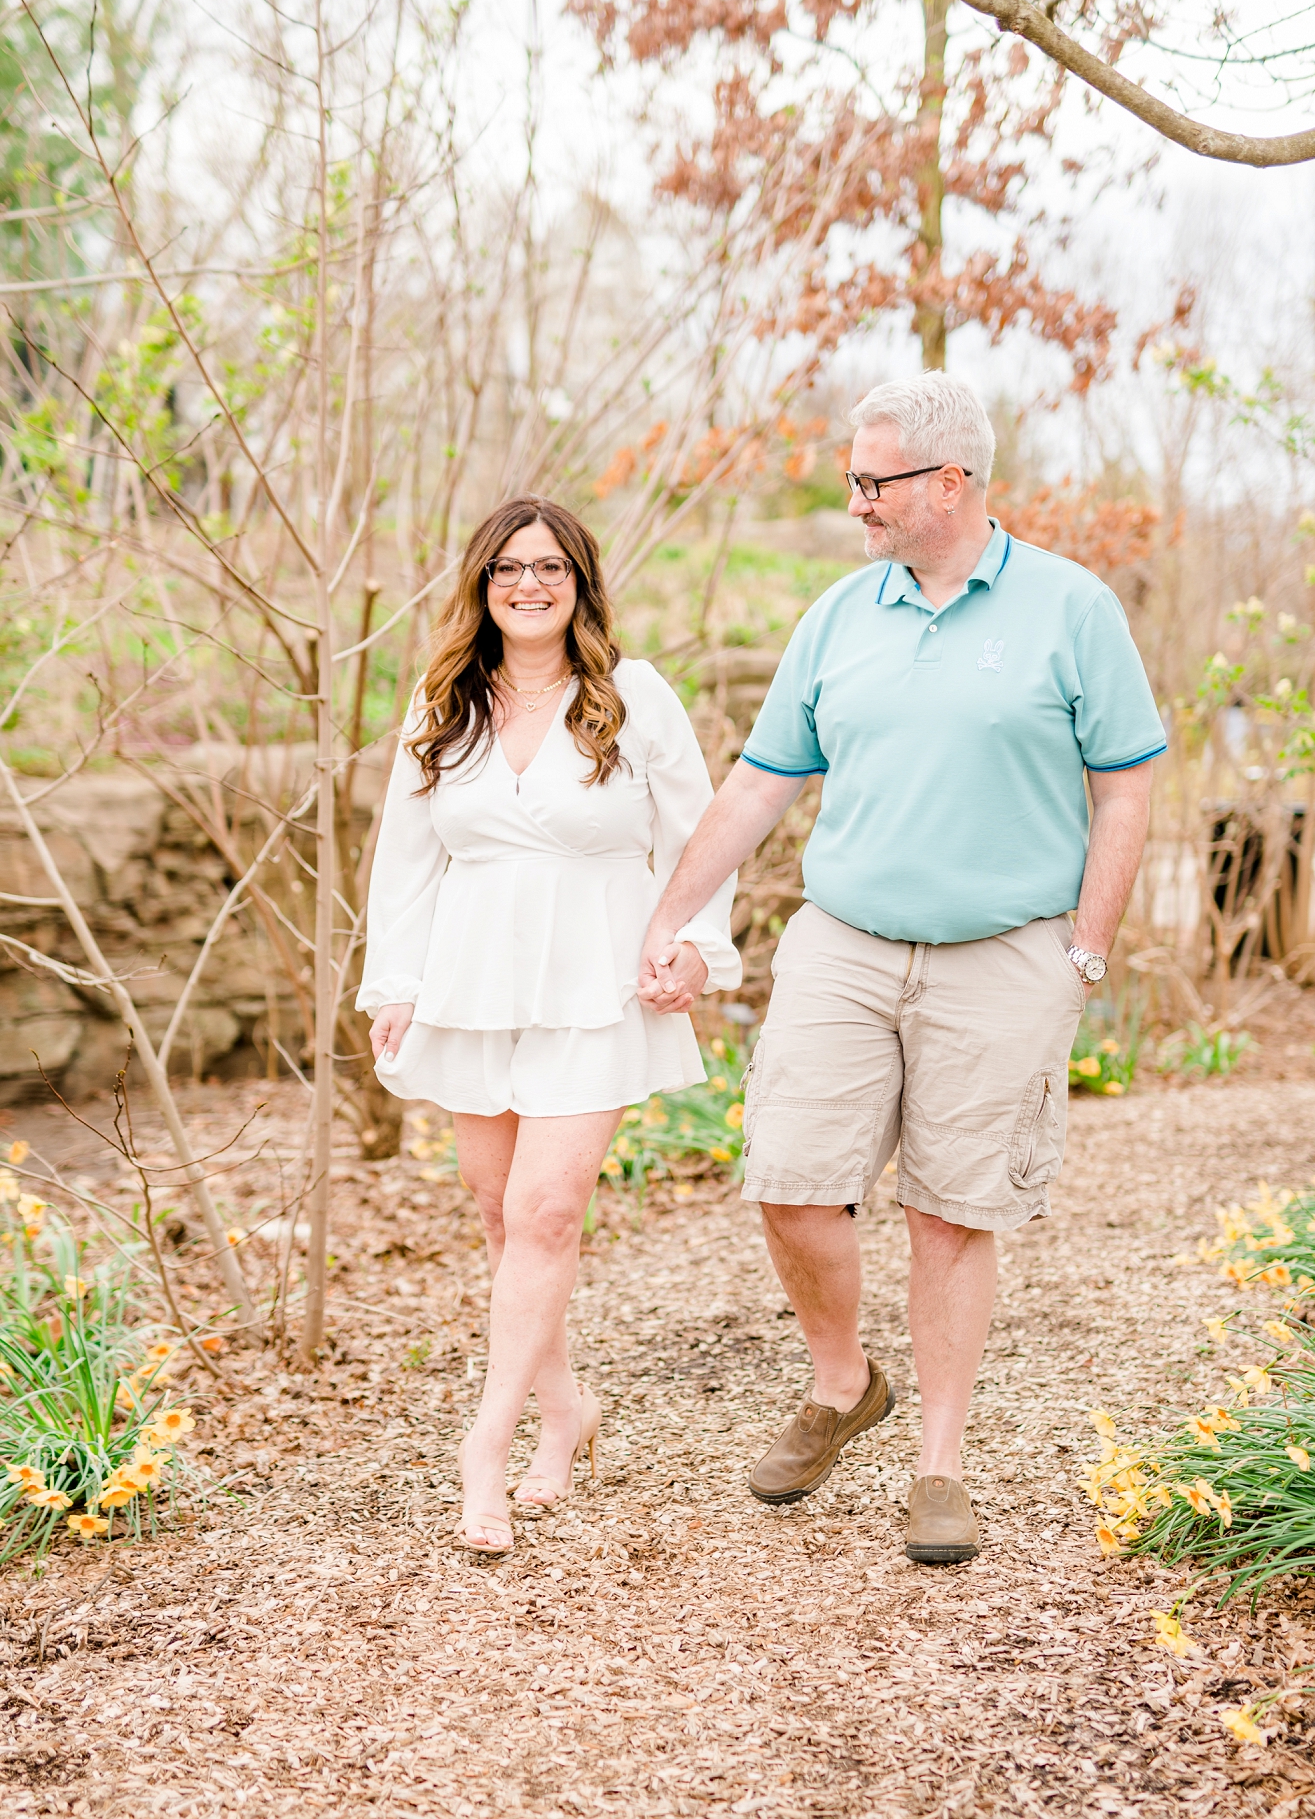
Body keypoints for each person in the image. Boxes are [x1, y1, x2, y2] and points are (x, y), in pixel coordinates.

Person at [638, 373, 1165, 1564]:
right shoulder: (838, 615)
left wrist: (1085, 950)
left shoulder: (1071, 608)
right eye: (854, 479)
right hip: (846, 940)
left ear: (951, 481)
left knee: (950, 1210)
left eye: (873, 481)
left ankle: (940, 1464)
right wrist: (671, 912)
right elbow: (761, 781)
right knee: (787, 1177)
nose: (856, 502)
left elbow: (1126, 784)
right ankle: (845, 1381)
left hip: (1005, 952)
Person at [359, 496, 740, 1554]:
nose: (529, 585)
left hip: (594, 982)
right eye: (508, 569)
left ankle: (486, 1444)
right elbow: (406, 857)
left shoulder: (632, 695)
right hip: (471, 980)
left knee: (545, 1211)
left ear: (580, 582)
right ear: (482, 584)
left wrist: (697, 941)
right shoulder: (443, 701)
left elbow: (703, 835)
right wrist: (395, 984)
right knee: (501, 1215)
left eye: (550, 567)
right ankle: (565, 1408)